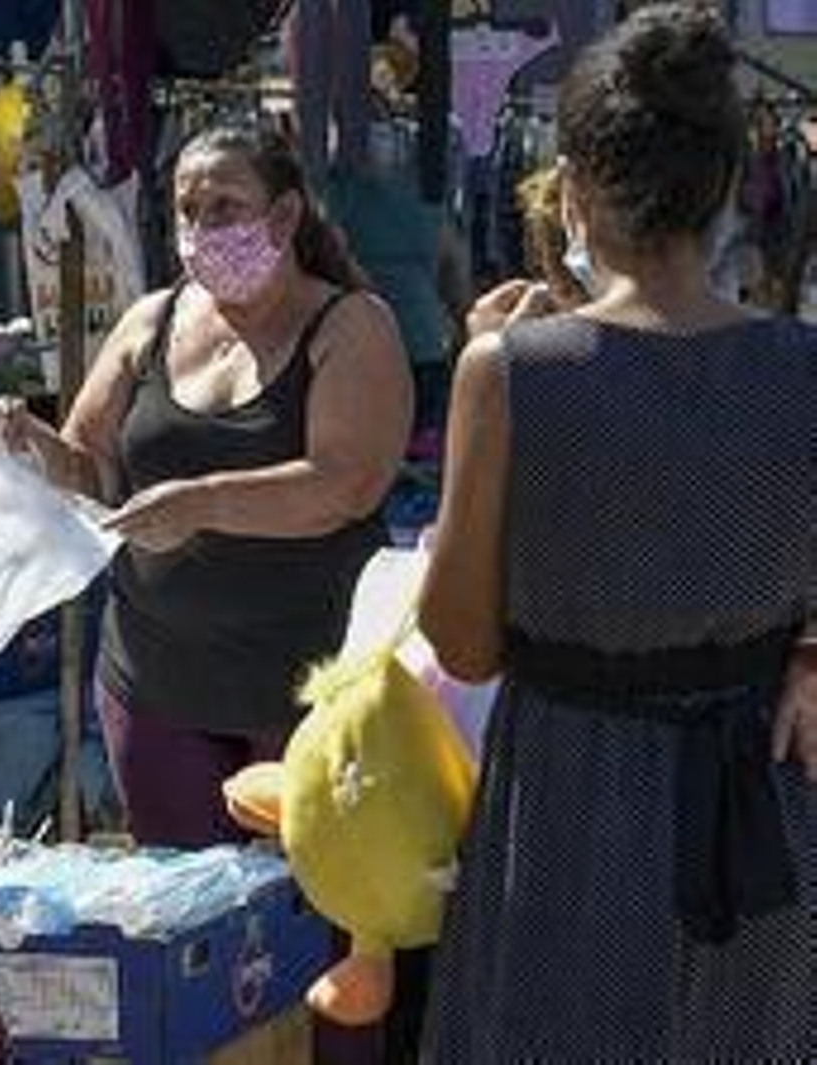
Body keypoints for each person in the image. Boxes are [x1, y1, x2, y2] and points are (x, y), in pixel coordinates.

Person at [418, 6, 817, 1059]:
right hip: (759, 807)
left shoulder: (510, 374)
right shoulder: (803, 370)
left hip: (569, 798)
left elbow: (461, 642)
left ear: (576, 192)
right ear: (727, 187)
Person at [0, 124, 413, 1059]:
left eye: (226, 207)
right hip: (159, 683)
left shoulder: (351, 327)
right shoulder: (151, 320)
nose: (203, 227)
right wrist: (32, 445)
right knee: (192, 947)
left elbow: (348, 482)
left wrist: (204, 503)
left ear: (284, 216)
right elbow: (94, 468)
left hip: (312, 698)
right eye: (187, 209)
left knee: (330, 948)